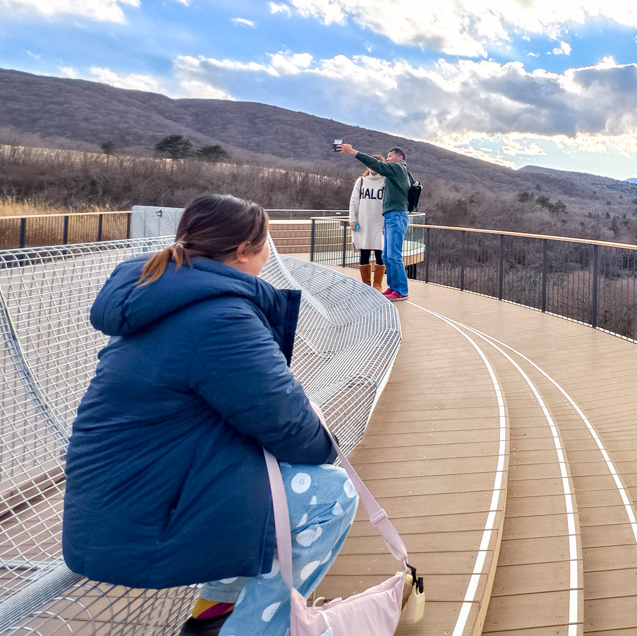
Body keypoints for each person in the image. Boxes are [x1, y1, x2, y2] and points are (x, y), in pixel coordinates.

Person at [62, 194, 359, 635]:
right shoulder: (221, 317)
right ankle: (254, 629)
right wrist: (323, 438)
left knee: (263, 482)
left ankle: (212, 617)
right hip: (146, 515)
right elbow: (288, 425)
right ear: (243, 251)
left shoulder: (163, 291)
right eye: (265, 245)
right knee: (331, 494)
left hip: (117, 496)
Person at [335, 142, 412, 302]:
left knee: (394, 255)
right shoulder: (394, 174)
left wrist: (353, 152)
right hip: (390, 216)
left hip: (397, 215)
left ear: (400, 158)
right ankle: (393, 287)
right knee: (387, 254)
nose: (388, 159)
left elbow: (376, 164)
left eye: (390, 156)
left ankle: (401, 291)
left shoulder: (397, 168)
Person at [350, 154, 387, 291]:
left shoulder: (385, 181)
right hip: (363, 221)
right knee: (364, 252)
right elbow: (354, 201)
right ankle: (366, 284)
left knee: (380, 251)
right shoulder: (361, 181)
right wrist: (352, 219)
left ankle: (377, 284)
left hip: (380, 221)